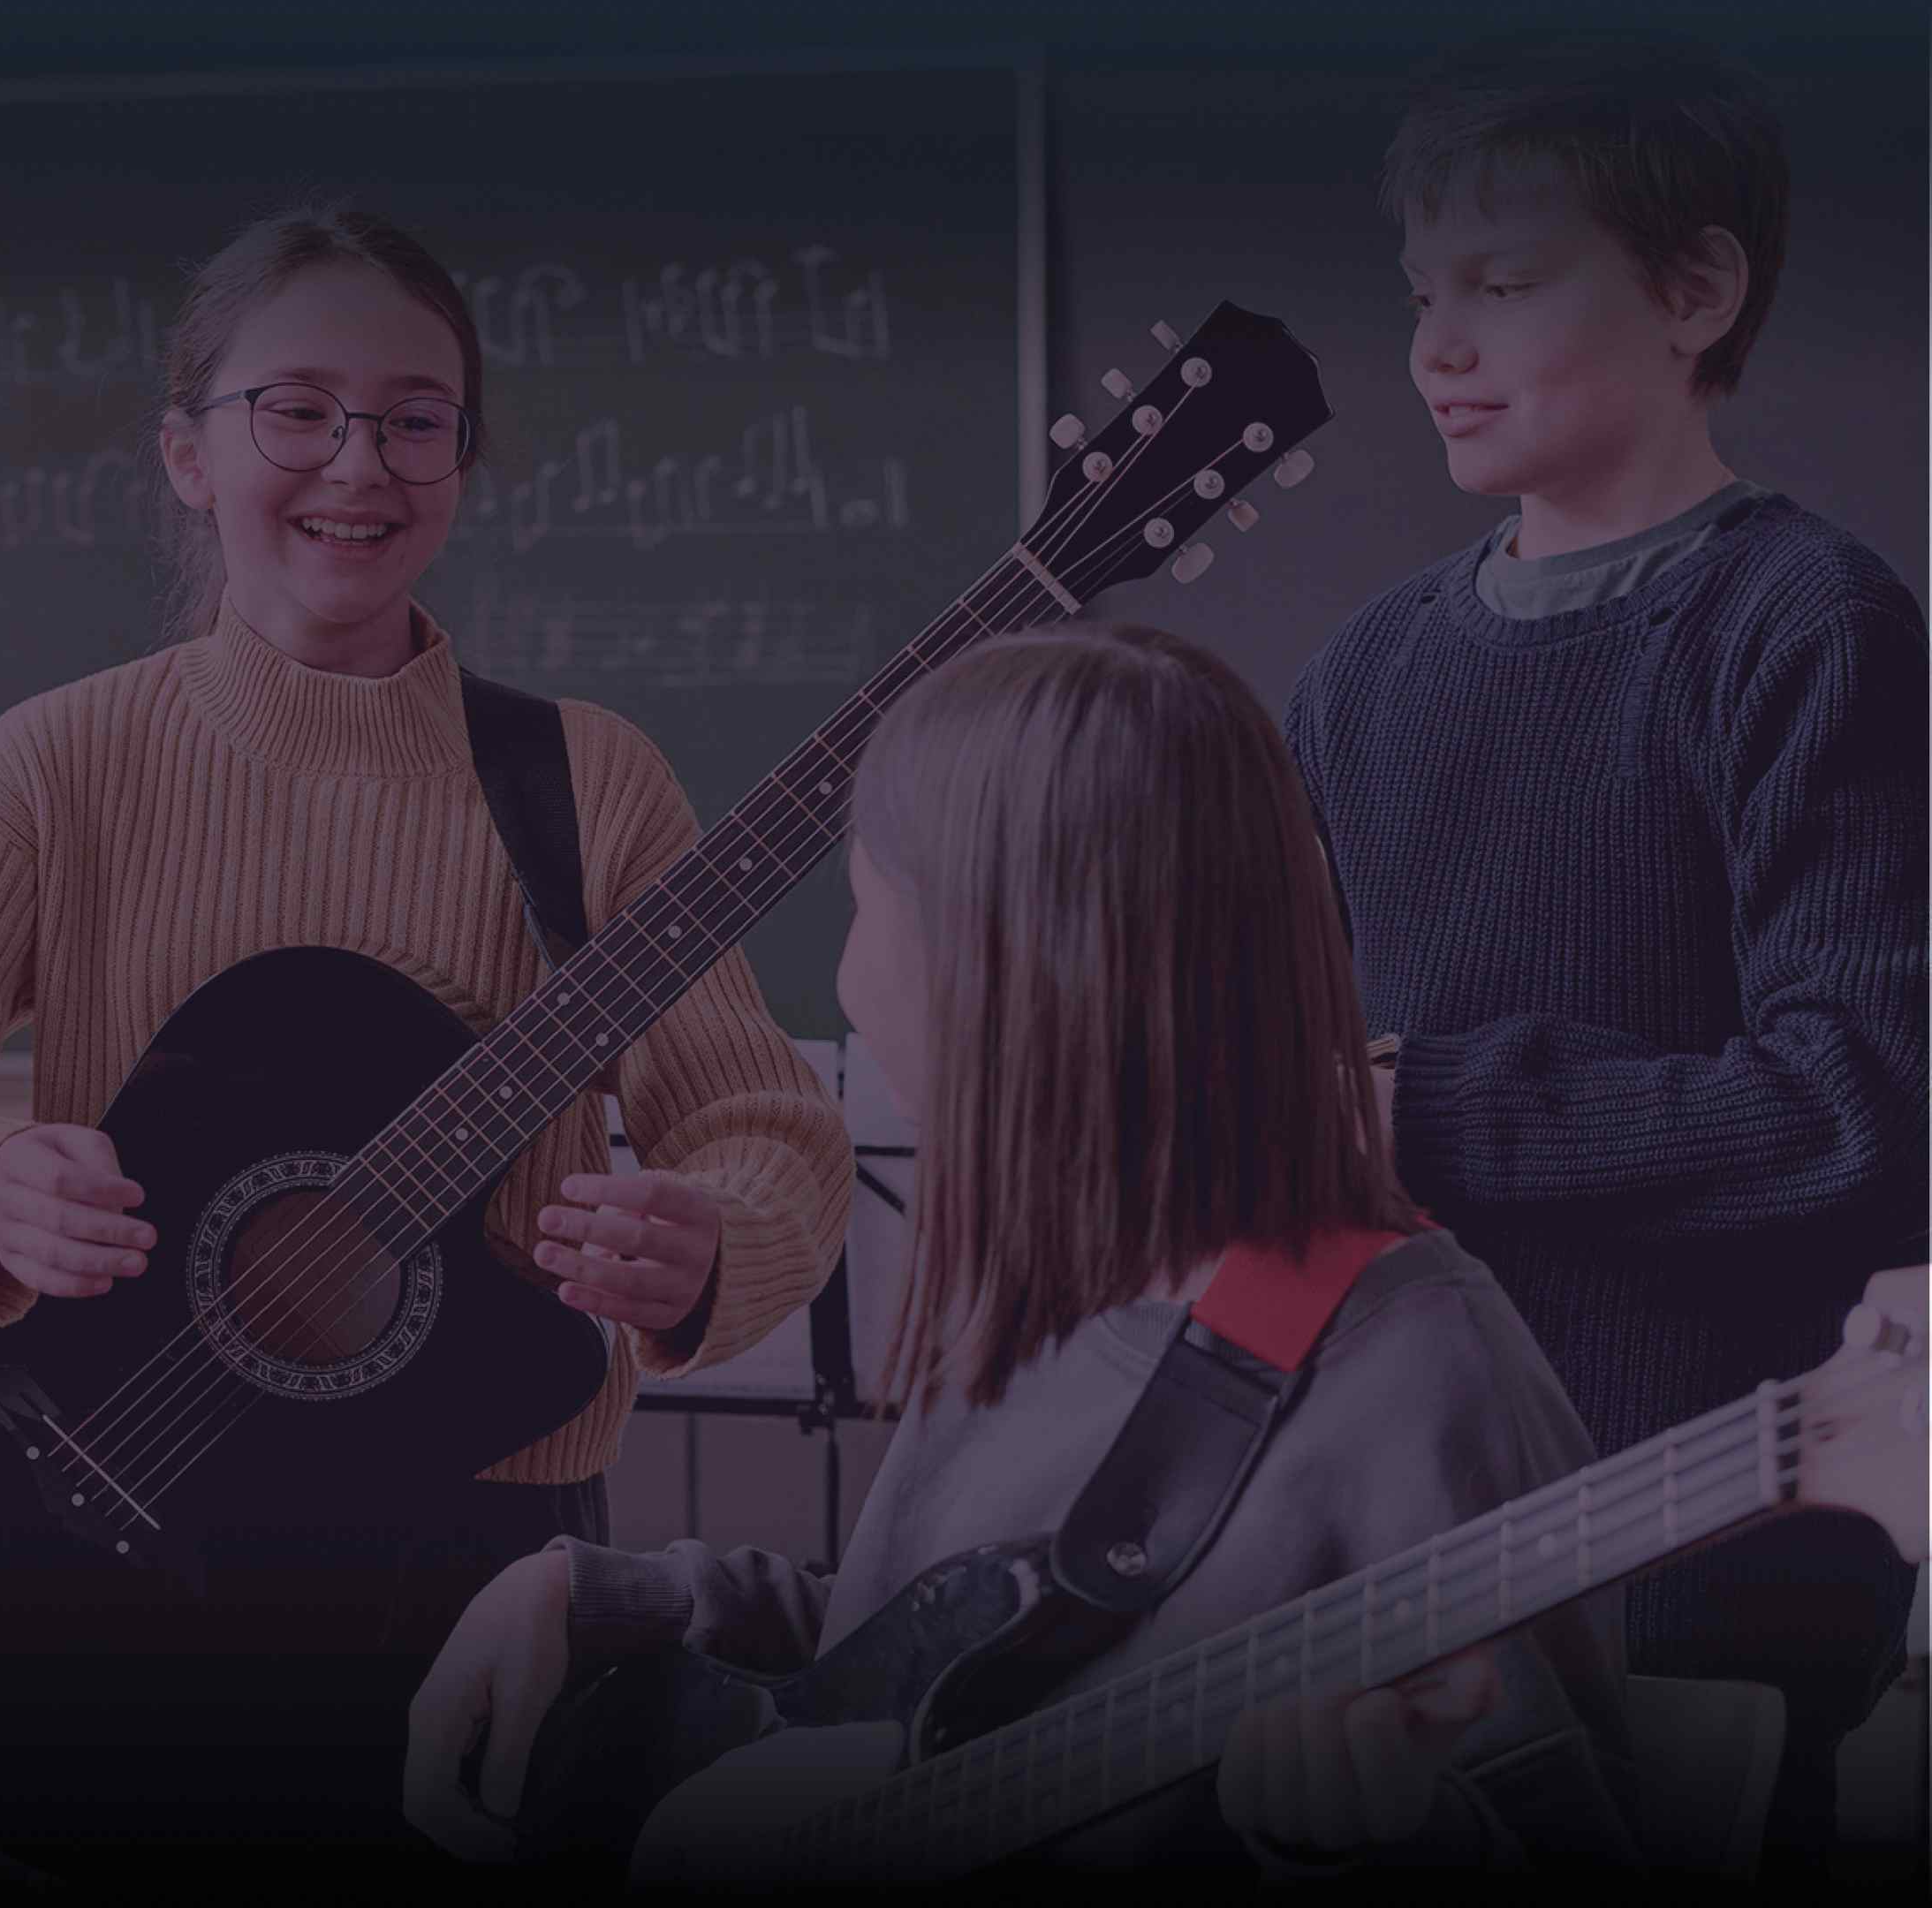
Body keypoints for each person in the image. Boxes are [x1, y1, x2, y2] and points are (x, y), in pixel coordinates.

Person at [0, 203, 852, 1862]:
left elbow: (765, 1125)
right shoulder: (62, 761)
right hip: (110, 1530)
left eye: (418, 419)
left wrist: (719, 1249)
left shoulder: (590, 780)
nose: (362, 463)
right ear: (188, 455)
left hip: (494, 1570)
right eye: (299, 409)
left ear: (463, 462)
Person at [406, 625, 1639, 1880]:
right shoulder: (1054, 1279)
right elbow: (909, 1669)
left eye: (870, 911)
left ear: (1012, 969)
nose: (845, 989)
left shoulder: (1424, 1386)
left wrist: (1381, 1845)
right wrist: (598, 1598)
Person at [1285, 32, 1928, 1872]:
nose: (1437, 345)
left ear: (1694, 289)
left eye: (1504, 279)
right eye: (1424, 294)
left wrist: (1433, 1114)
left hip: (1713, 1562)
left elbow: (1869, 1111)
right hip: (1398, 1560)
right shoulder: (1357, 681)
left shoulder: (1806, 627)